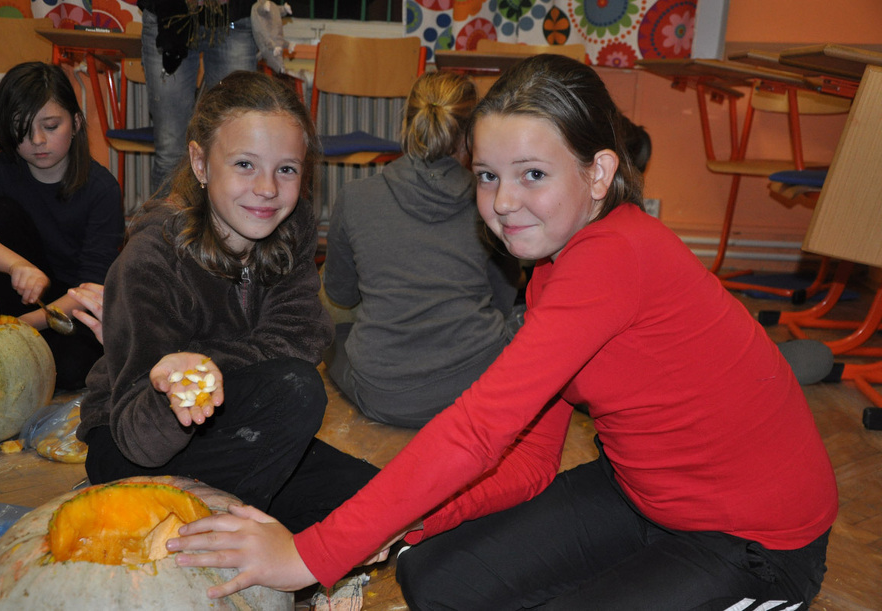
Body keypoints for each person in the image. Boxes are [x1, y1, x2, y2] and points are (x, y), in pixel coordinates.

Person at [168, 55, 838, 610]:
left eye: (533, 175)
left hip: (754, 544)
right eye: (487, 176)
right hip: (638, 495)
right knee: (432, 574)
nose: (503, 202)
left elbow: (476, 430)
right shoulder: (549, 270)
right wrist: (404, 524)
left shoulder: (616, 256)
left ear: (599, 173)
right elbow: (531, 459)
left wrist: (311, 552)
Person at [76, 70, 378, 534]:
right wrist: (175, 390)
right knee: (297, 389)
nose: (267, 188)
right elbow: (139, 439)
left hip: (232, 420)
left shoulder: (292, 226)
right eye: (244, 164)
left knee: (372, 499)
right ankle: (200, 528)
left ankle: (210, 517)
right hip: (135, 444)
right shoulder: (150, 259)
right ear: (200, 164)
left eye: (286, 169)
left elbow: (303, 336)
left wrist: (202, 370)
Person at [322, 70, 521, 428]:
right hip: (476, 388)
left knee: (332, 334)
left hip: (386, 395)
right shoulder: (494, 202)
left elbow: (341, 294)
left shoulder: (354, 197)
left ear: (407, 124)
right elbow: (503, 301)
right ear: (472, 136)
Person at [0, 62, 123, 390]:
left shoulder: (102, 188)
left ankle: (17, 338)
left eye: (50, 126)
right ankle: (17, 337)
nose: (37, 140)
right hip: (25, 300)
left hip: (73, 309)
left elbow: (91, 286)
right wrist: (17, 265)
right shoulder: (1, 170)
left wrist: (20, 325)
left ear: (75, 123)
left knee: (72, 371)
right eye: (21, 128)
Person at [139, 0, 258, 193]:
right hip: (168, 15)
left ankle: (235, 213)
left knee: (239, 146)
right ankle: (169, 214)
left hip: (233, 15)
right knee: (171, 153)